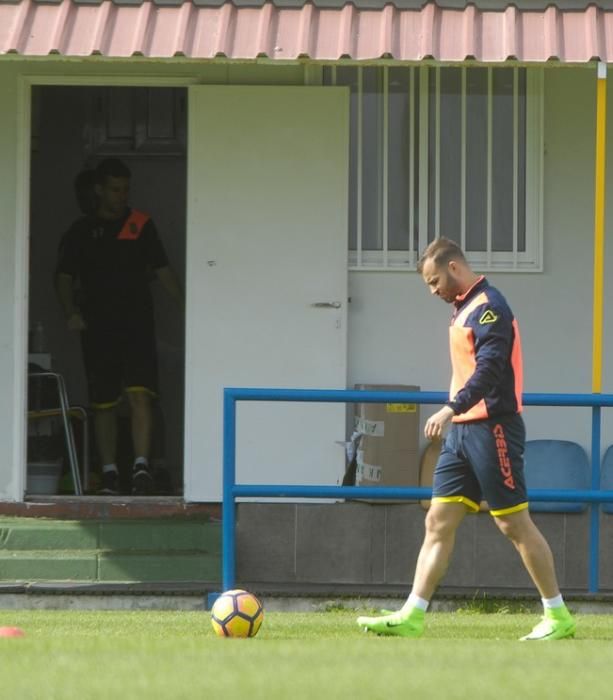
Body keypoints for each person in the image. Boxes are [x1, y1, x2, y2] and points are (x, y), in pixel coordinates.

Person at [357, 237, 576, 641]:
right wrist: (457, 416)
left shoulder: (489, 308)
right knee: (438, 519)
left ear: (454, 268)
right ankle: (413, 614)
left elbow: (489, 372)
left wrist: (450, 408)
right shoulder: (463, 309)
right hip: (463, 434)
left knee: (513, 523)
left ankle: (557, 614)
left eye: (434, 280)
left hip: (493, 430)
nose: (433, 290)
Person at [56, 158, 183, 496]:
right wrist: (71, 312)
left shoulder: (141, 224)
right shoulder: (81, 231)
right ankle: (110, 473)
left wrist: (187, 306)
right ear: (99, 189)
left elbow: (163, 270)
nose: (122, 195)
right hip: (98, 327)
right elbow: (64, 277)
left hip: (138, 324)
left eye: (126, 188)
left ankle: (141, 467)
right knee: (104, 402)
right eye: (115, 189)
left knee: (141, 394)